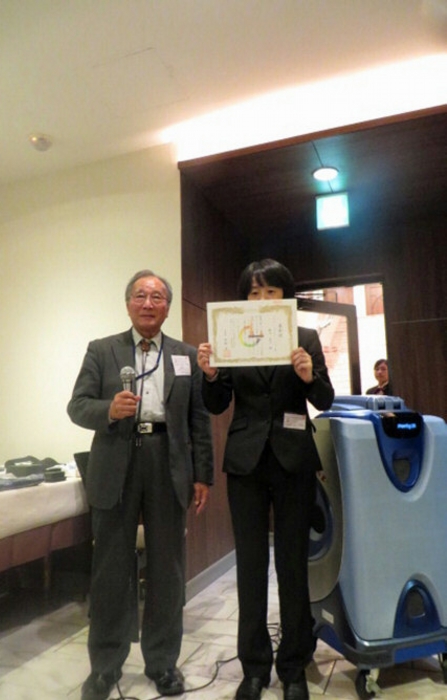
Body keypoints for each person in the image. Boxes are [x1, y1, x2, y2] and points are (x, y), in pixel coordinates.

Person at [67, 269, 214, 700]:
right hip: (116, 459)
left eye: (157, 297)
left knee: (168, 569)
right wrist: (108, 410)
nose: (148, 303)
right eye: (140, 295)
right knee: (110, 569)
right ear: (128, 303)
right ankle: (104, 667)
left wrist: (202, 474)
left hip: (168, 462)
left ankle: (163, 663)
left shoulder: (186, 355)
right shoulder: (101, 350)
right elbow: (77, 406)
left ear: (167, 307)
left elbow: (199, 420)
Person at [197, 259, 334, 700]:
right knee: (251, 567)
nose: (261, 299)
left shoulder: (305, 337)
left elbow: (325, 399)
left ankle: (293, 667)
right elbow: (217, 403)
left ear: (285, 296)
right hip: (246, 462)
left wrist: (309, 377)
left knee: (293, 564)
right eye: (253, 293)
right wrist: (211, 376)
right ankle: (254, 668)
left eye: (270, 291)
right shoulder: (230, 334)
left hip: (293, 459)